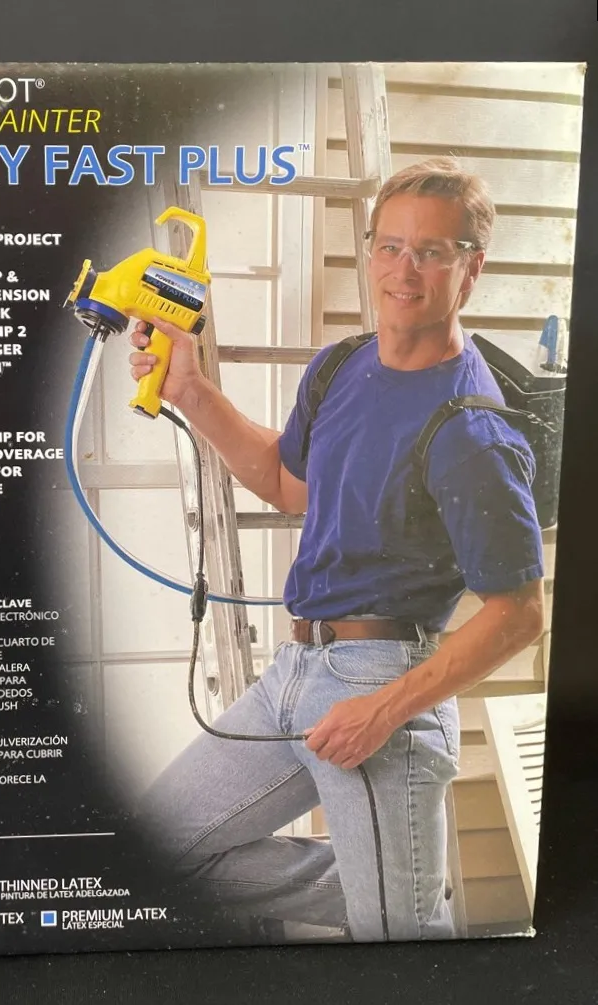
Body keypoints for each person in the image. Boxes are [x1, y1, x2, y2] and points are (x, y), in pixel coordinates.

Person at [127, 157, 546, 942]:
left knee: (397, 947)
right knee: (152, 852)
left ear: (471, 269)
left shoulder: (471, 432)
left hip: (382, 683)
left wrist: (382, 710)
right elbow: (288, 485)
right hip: (293, 673)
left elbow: (519, 614)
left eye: (430, 252)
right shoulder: (341, 365)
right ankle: (399, 893)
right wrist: (188, 390)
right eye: (389, 245)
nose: (403, 270)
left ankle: (401, 905)